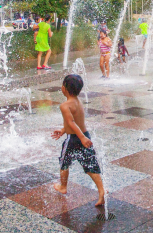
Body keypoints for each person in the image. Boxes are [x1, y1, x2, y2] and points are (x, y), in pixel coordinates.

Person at [51, 75, 105, 207]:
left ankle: (63, 187)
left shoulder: (65, 105)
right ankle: (102, 190)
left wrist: (79, 137)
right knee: (90, 164)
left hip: (74, 138)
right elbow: (76, 122)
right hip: (85, 135)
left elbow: (71, 122)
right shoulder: (78, 101)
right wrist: (64, 130)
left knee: (64, 163)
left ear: (64, 88)